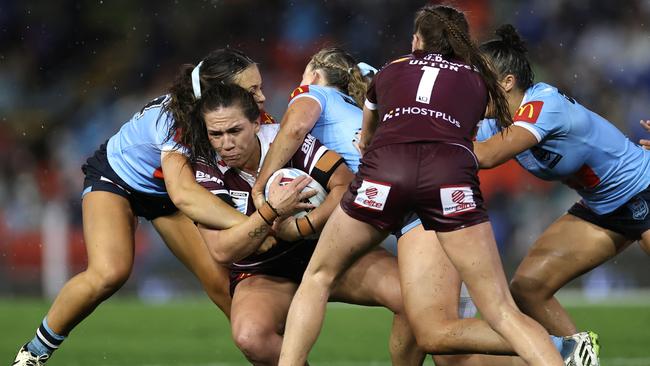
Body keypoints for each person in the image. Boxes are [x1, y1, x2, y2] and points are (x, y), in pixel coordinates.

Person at [277, 5, 567, 366]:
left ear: (416, 39)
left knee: (318, 276)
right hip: (447, 180)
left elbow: (369, 133)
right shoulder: (479, 81)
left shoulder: (391, 69)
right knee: (501, 310)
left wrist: (370, 143)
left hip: (386, 173)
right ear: (462, 44)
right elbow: (467, 132)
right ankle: (562, 353)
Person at [12, 48, 305, 366]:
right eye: (252, 90)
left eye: (259, 88)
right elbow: (184, 195)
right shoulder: (174, 120)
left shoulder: (242, 116)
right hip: (118, 181)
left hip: (166, 193)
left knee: (225, 284)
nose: (262, 98)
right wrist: (255, 222)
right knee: (109, 272)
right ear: (220, 92)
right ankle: (34, 353)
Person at [190, 83, 422, 365]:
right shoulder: (205, 169)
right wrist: (272, 211)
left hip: (327, 251)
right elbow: (222, 251)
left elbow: (345, 185)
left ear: (255, 123)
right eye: (216, 134)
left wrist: (305, 226)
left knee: (414, 300)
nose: (226, 143)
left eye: (235, 131)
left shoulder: (285, 141)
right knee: (251, 337)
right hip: (264, 271)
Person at [474, 24, 650, 340]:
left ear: (507, 82)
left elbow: (484, 156)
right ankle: (581, 359)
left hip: (643, 187)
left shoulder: (543, 105)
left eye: (477, 81)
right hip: (601, 208)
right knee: (528, 288)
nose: (469, 91)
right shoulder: (494, 121)